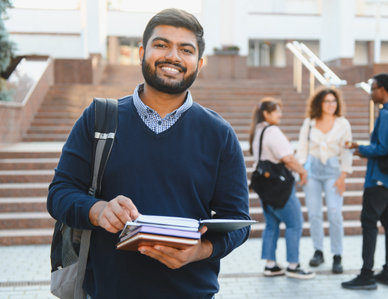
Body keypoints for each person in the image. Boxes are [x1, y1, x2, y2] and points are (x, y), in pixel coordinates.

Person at [47, 8, 250, 299]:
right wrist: (99, 210)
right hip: (107, 292)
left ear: (199, 63)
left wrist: (199, 251)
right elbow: (59, 194)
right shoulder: (99, 118)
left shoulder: (219, 133)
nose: (173, 57)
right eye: (161, 45)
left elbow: (237, 220)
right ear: (142, 52)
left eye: (186, 49)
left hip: (191, 292)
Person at [341, 73, 388, 290]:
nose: (371, 93)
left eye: (373, 88)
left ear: (383, 90)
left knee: (369, 223)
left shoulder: (387, 113)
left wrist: (358, 148)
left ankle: (367, 274)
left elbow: (381, 148)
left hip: (379, 178)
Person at [249, 97, 315, 280]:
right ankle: (293, 265)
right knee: (295, 223)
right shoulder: (272, 132)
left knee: (272, 225)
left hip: (265, 187)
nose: (280, 114)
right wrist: (303, 172)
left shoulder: (258, 131)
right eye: (276, 111)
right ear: (266, 113)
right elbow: (288, 158)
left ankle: (270, 265)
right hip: (280, 188)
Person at [296, 87, 352, 274]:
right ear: (320, 103)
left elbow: (346, 151)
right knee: (314, 213)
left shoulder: (343, 124)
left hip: (333, 171)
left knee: (335, 213)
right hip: (312, 170)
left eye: (333, 101)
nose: (331, 105)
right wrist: (302, 170)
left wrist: (343, 176)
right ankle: (318, 251)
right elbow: (302, 148)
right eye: (327, 101)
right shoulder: (309, 123)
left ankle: (337, 255)